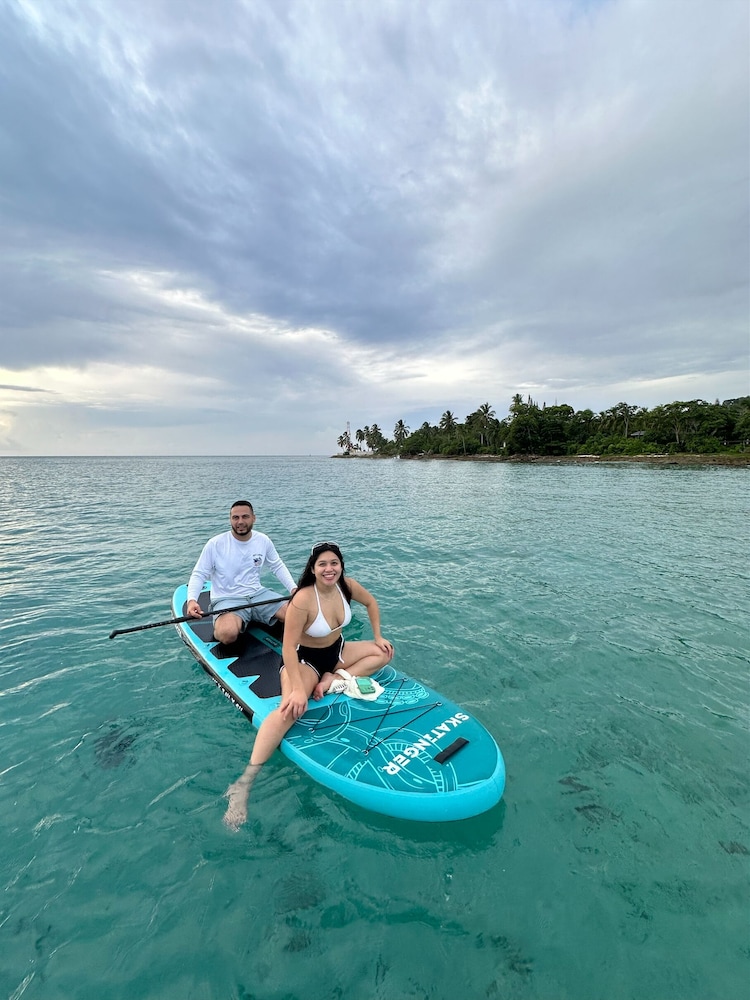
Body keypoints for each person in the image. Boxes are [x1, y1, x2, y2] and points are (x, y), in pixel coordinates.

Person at [223, 542, 394, 829]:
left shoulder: (347, 586)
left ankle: (333, 680)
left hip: (337, 652)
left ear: (341, 566)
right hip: (305, 660)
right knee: (289, 710)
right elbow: (288, 647)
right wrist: (297, 688)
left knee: (384, 653)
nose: (329, 569)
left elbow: (371, 603)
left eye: (334, 563)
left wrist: (378, 636)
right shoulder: (303, 599)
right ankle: (243, 784)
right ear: (312, 569)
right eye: (322, 564)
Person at [186, 500, 296, 643]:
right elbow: (199, 573)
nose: (240, 522)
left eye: (245, 517)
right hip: (227, 599)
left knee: (299, 617)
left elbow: (277, 566)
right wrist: (192, 600)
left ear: (253, 518)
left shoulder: (263, 540)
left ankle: (253, 617)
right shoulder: (215, 544)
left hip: (258, 594)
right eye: (235, 517)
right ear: (230, 519)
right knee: (227, 634)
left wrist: (293, 588)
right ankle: (237, 621)